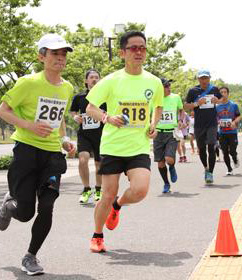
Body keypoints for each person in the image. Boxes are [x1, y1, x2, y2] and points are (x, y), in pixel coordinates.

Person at [0, 33, 76, 276]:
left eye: (63, 54)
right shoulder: (27, 83)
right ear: (42, 56)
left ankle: (30, 256)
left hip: (52, 155)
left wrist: (64, 139)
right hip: (27, 151)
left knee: (48, 205)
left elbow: (60, 118)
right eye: (54, 53)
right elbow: (2, 111)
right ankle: (11, 205)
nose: (60, 58)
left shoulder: (68, 87)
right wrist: (29, 125)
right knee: (25, 213)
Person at [85, 31, 163, 253]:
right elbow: (90, 108)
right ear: (122, 53)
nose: (139, 52)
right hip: (113, 146)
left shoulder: (154, 82)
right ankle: (97, 235)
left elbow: (157, 107)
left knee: (140, 191)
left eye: (142, 48)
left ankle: (118, 206)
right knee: (107, 194)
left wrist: (153, 124)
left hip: (138, 146)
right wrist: (108, 118)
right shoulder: (110, 81)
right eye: (133, 48)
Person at [70, 69, 106, 203]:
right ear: (86, 81)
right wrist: (75, 118)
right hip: (84, 134)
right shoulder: (79, 97)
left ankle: (98, 189)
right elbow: (73, 111)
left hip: (101, 134)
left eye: (97, 77)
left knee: (99, 163)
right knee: (83, 159)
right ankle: (86, 189)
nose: (94, 79)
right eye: (91, 77)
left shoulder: (105, 97)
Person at [185, 69, 222, 184]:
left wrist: (218, 100)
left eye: (206, 78)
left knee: (211, 147)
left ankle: (210, 172)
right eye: (202, 78)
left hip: (212, 123)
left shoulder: (214, 89)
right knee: (201, 149)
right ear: (198, 79)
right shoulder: (193, 91)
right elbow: (186, 105)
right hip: (199, 124)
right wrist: (197, 104)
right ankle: (206, 168)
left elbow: (222, 99)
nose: (204, 80)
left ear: (209, 78)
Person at [153, 78, 183, 193]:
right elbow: (150, 115)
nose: (169, 88)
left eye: (169, 86)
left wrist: (180, 119)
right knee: (160, 163)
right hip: (158, 133)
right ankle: (166, 183)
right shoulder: (153, 100)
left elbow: (181, 110)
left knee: (169, 159)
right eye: (166, 87)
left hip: (171, 132)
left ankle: (172, 166)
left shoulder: (175, 97)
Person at [216, 86, 241, 175]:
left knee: (232, 151)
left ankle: (235, 158)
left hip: (232, 132)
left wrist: (235, 122)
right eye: (221, 92)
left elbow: (238, 116)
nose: (223, 94)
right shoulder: (217, 107)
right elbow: (216, 118)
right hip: (222, 132)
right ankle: (229, 169)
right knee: (225, 152)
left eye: (225, 92)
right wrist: (218, 121)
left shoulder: (233, 105)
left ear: (228, 93)